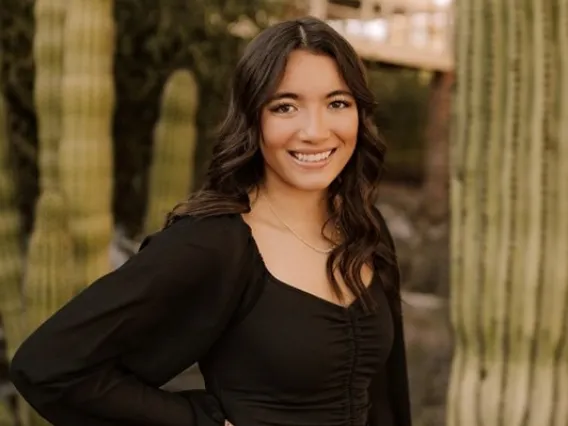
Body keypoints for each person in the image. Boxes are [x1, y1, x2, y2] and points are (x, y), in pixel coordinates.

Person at [10, 16, 411, 426]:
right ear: (253, 120)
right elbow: (49, 367)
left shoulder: (364, 227)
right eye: (285, 106)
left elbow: (386, 397)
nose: (314, 130)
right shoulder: (213, 243)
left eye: (337, 103)